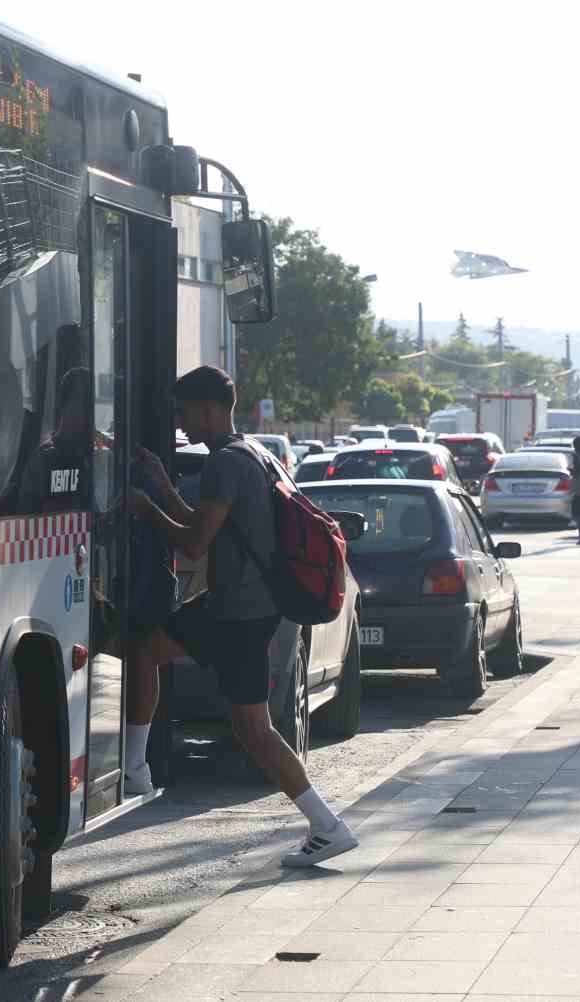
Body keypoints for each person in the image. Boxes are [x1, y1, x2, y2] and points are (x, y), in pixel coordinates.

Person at [125, 366, 358, 867]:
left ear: (210, 408)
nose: (182, 426)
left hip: (237, 612)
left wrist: (143, 510)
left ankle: (134, 769)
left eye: (185, 414)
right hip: (249, 609)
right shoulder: (255, 453)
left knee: (245, 723)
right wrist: (165, 488)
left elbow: (192, 542)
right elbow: (204, 521)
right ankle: (325, 824)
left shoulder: (224, 465)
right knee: (244, 721)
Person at [19, 367, 91, 512]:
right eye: (86, 406)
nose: (91, 416)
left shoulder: (86, 456)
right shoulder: (46, 459)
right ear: (68, 406)